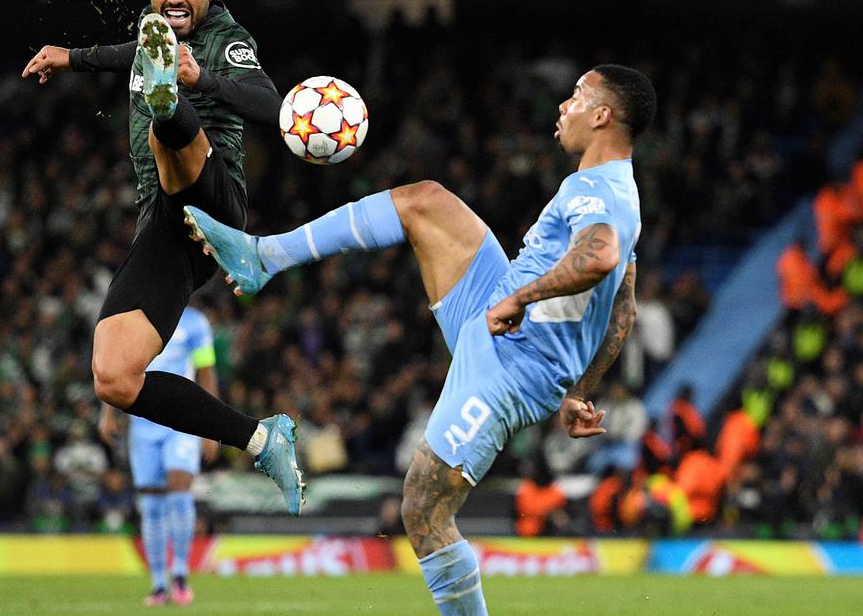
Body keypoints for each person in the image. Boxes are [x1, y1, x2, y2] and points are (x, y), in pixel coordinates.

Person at [186, 65, 654, 615]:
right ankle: (264, 256)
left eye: (576, 97)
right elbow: (623, 302)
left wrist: (518, 302)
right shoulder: (607, 189)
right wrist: (582, 387)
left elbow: (598, 258)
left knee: (423, 507)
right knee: (425, 200)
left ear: (601, 116)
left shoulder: (606, 192)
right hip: (497, 307)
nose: (563, 106)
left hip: (514, 361)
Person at [20, 0, 304, 513]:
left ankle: (169, 103)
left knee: (163, 126)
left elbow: (272, 108)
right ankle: (260, 437)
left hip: (218, 206)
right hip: (171, 230)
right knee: (113, 376)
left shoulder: (227, 39)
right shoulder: (152, 38)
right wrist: (67, 56)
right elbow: (124, 52)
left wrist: (198, 80)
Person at [100, 306, 217, 607]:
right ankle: (157, 584)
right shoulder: (135, 320)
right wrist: (107, 411)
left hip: (182, 420)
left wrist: (211, 424)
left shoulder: (195, 322)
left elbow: (206, 371)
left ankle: (180, 573)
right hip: (142, 423)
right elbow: (117, 366)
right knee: (150, 501)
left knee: (179, 484)